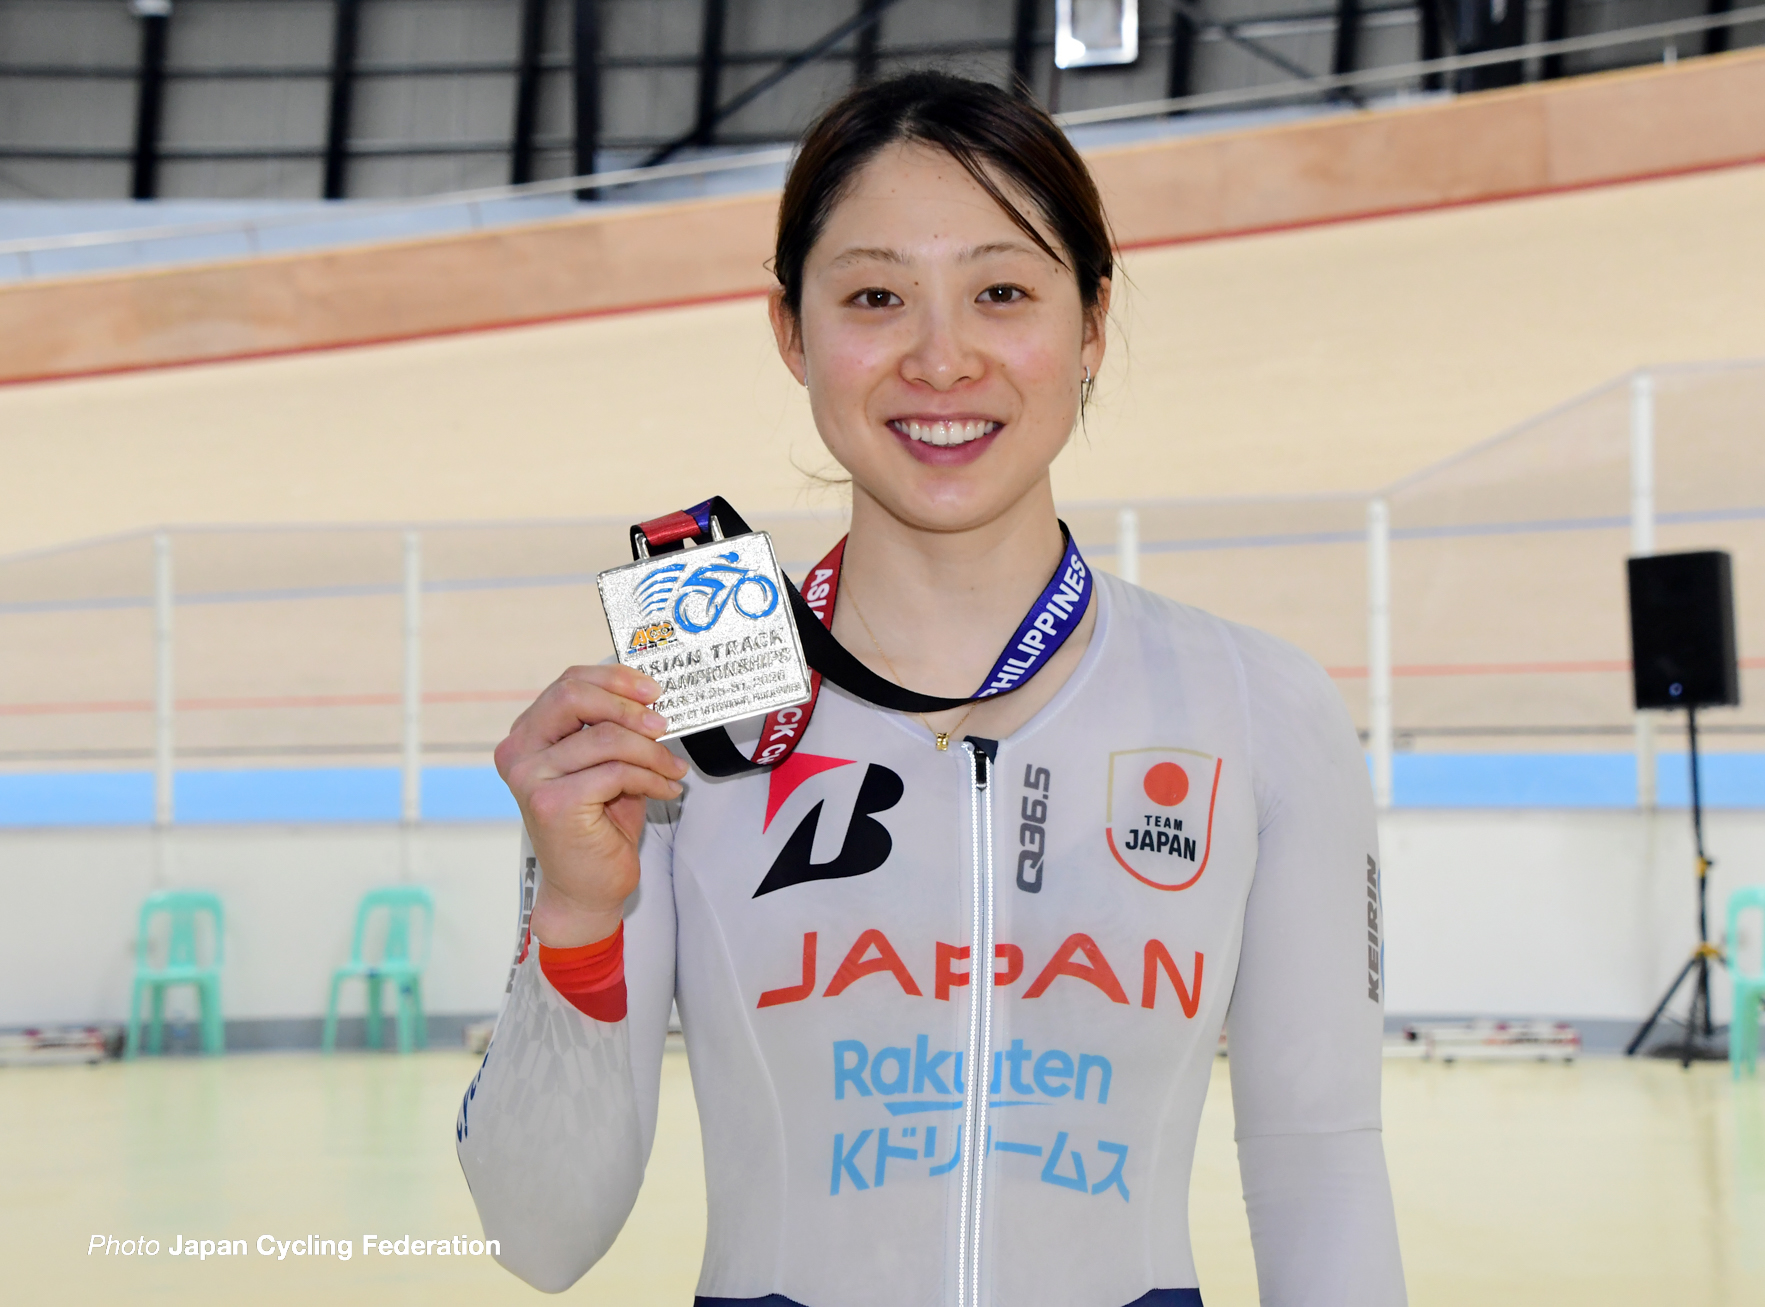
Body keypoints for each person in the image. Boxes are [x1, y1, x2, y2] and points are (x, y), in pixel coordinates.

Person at [457, 70, 1405, 1307]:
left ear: (1092, 322)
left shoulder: (1256, 707)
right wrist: (579, 916)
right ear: (792, 331)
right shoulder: (672, 726)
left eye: (1001, 291)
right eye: (875, 296)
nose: (941, 358)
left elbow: (1322, 1177)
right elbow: (538, 1232)